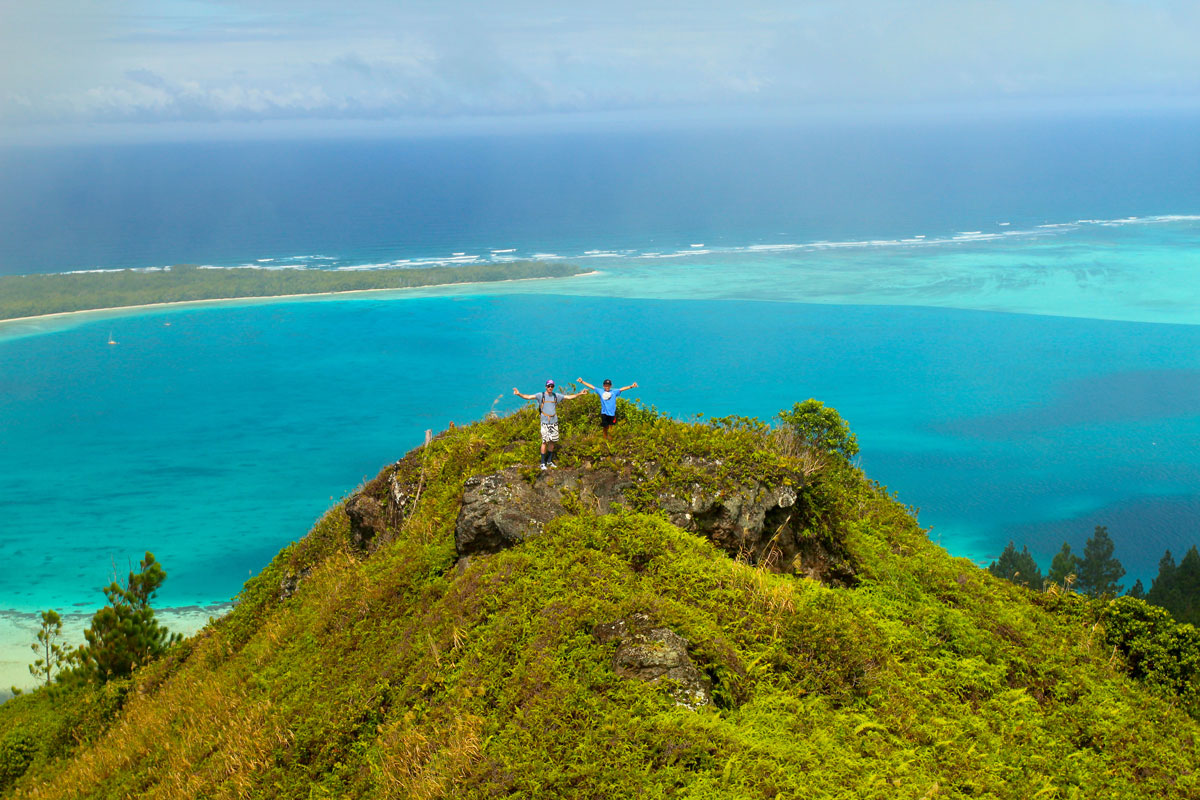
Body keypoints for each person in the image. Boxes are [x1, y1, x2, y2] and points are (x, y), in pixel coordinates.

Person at [513, 379, 588, 469]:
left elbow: (568, 397)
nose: (550, 388)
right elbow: (528, 397)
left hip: (554, 422)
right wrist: (519, 394)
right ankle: (542, 463)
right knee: (544, 442)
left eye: (552, 386)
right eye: (549, 386)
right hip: (545, 422)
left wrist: (580, 393)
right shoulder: (541, 395)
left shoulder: (556, 396)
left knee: (552, 441)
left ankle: (549, 461)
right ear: (546, 387)